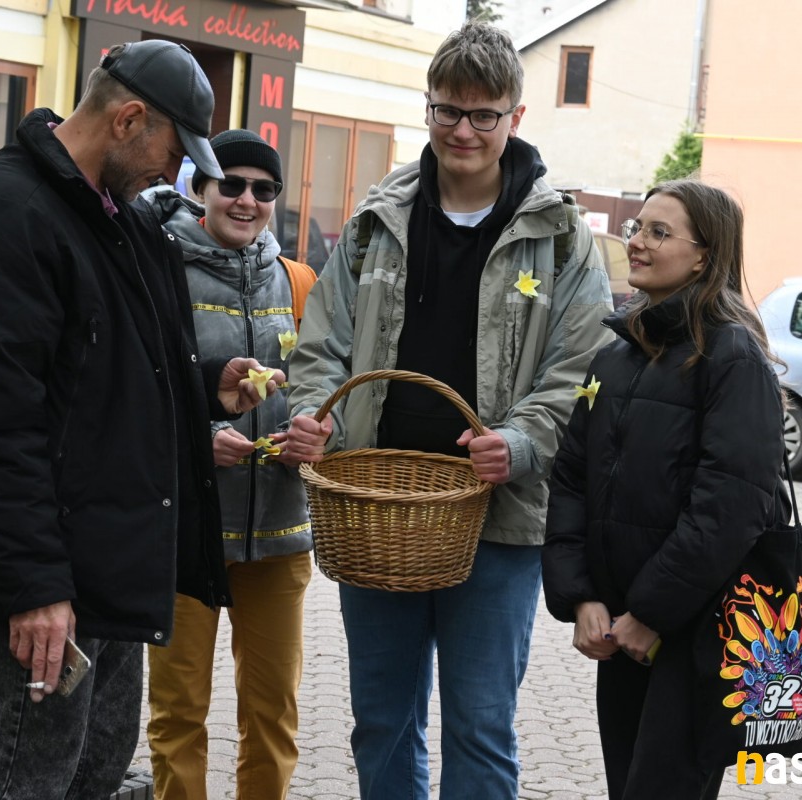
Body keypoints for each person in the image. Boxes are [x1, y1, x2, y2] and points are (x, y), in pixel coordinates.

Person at [0, 41, 284, 800]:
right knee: (23, 774)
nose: (175, 173)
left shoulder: (113, 215)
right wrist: (35, 586)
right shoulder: (14, 211)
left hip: (108, 557)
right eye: (175, 151)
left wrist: (206, 384)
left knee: (95, 765)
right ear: (128, 119)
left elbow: (108, 364)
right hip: (53, 573)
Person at [284, 22, 614, 800]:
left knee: (481, 725)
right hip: (377, 508)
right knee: (381, 721)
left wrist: (520, 443)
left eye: (483, 115)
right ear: (427, 107)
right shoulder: (378, 220)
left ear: (515, 117)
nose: (462, 131)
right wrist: (314, 416)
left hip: (498, 519)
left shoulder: (560, 235)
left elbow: (582, 371)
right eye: (447, 111)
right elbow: (321, 345)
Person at [540, 179, 789, 800]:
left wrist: (651, 613)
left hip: (692, 632)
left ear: (704, 256)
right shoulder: (617, 355)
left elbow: (732, 506)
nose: (638, 242)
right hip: (620, 628)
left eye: (659, 232)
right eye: (638, 228)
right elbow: (571, 478)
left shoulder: (732, 357)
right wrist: (581, 596)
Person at [141, 129, 314, 799]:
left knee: (273, 715)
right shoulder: (159, 272)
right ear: (201, 189)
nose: (247, 200)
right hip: (187, 533)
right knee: (178, 714)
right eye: (231, 184)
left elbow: (326, 385)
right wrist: (197, 439)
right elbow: (133, 392)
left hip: (279, 534)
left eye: (263, 189)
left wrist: (317, 431)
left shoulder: (298, 281)